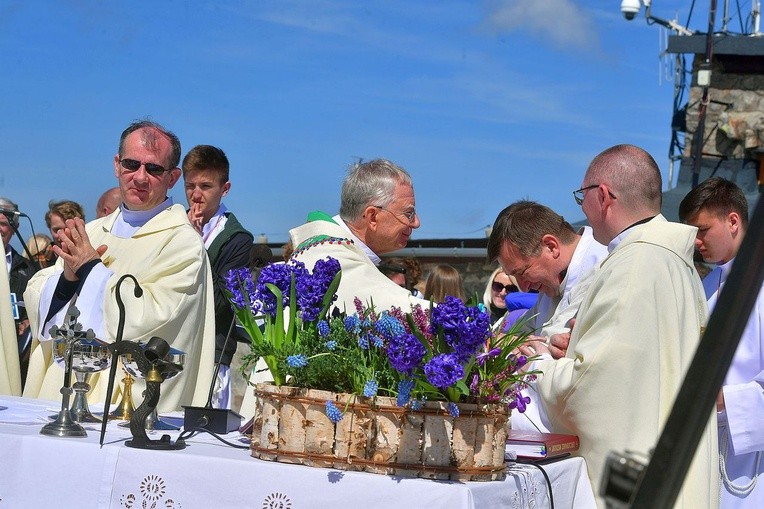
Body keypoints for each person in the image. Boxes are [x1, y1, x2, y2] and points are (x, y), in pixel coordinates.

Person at [520, 144, 718, 508]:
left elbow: (595, 386)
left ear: (604, 196)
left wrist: (538, 365)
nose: (581, 208)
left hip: (629, 474)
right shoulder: (673, 260)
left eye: (583, 196)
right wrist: (577, 344)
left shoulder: (635, 264)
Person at [23, 120, 215, 412]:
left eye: (153, 169)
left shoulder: (183, 243)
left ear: (173, 177)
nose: (140, 177)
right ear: (116, 165)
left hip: (119, 403)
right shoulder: (93, 231)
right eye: (131, 164)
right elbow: (36, 292)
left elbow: (157, 317)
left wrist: (90, 269)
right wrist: (69, 280)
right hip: (59, 389)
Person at [679, 177, 763, 508]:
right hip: (711, 442)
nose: (696, 242)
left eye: (702, 230)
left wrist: (723, 399)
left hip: (752, 456)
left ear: (733, 221)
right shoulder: (708, 283)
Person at [289, 159, 428, 312]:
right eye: (408, 213)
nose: (416, 222)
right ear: (372, 217)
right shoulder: (334, 260)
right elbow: (399, 307)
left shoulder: (330, 249)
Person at [182, 144, 254, 410]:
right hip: (171, 349)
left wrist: (195, 246)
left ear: (225, 188)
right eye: (190, 186)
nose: (196, 195)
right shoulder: (174, 223)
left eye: (206, 186)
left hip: (212, 355)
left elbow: (222, 302)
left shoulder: (237, 238)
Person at [487, 200, 607, 344]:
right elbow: (511, 335)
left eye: (523, 272)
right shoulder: (550, 286)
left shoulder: (604, 267)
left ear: (551, 247)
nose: (524, 288)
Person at [0, 197, 37, 387]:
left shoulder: (28, 269)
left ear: (14, 228)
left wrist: (30, 319)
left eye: (2, 224)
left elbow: (35, 305)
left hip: (12, 350)